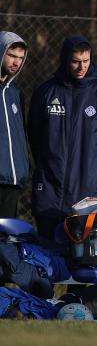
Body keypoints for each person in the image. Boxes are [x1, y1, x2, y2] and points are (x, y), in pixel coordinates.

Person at [28, 36, 97, 242]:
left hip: (88, 191)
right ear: (65, 60)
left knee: (86, 256)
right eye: (75, 61)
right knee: (48, 253)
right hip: (50, 190)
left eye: (86, 61)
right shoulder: (45, 92)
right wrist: (49, 165)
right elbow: (35, 136)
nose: (81, 67)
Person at [0, 31, 29, 218]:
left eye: (20, 57)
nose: (16, 62)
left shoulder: (15, 93)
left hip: (12, 181)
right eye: (11, 56)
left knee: (6, 240)